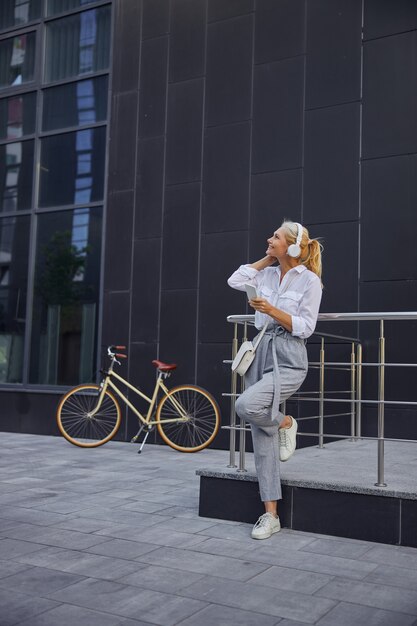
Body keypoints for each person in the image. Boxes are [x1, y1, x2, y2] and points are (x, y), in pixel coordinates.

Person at [227, 220, 323, 540]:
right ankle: (271, 516)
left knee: (246, 405)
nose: (269, 239)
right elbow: (234, 279)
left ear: (293, 246)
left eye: (276, 237)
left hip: (290, 355)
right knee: (260, 437)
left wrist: (270, 308)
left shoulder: (309, 281)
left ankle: (284, 422)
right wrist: (267, 259)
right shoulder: (265, 272)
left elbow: (305, 327)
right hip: (261, 350)